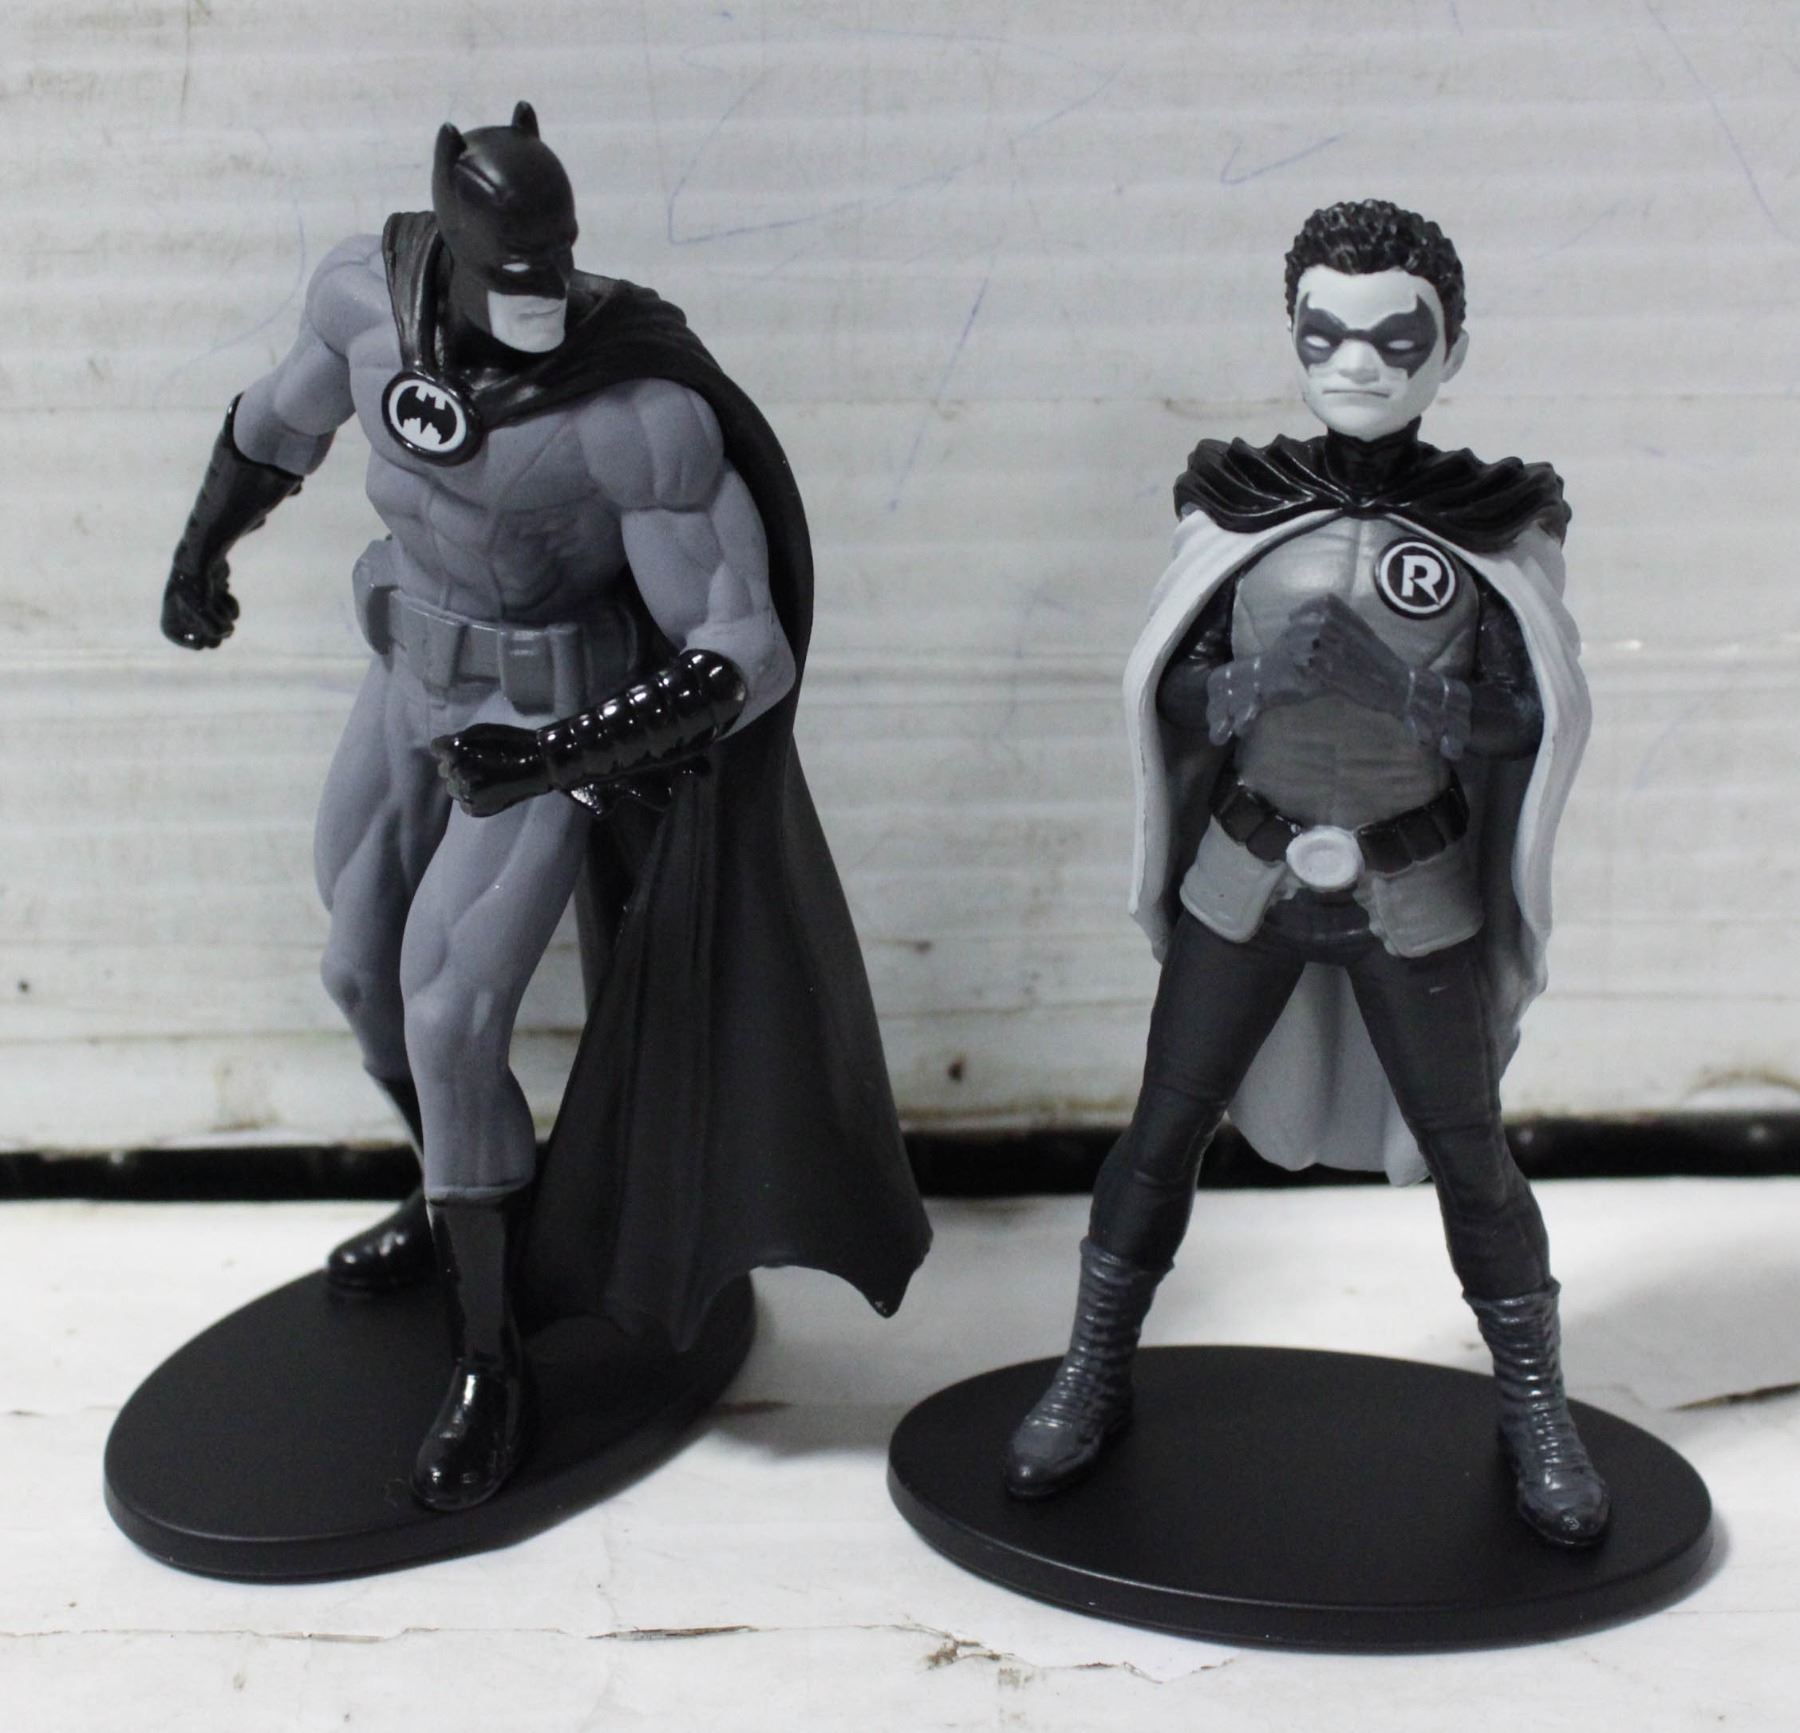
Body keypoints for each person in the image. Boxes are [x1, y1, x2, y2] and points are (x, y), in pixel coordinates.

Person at [162, 105, 928, 1514]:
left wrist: (560, 754)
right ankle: (462, 1206)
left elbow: (744, 651)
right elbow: (277, 427)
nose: (541, 294)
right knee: (358, 971)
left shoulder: (633, 410)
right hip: (409, 674)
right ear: (449, 254)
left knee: (452, 1015)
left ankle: (489, 1356)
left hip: (544, 715)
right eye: (510, 271)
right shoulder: (362, 302)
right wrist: (202, 549)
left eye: (555, 266)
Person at [1005, 199, 1607, 1546]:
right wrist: (1259, 680)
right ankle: (1093, 1369)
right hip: (1251, 866)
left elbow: (1534, 715)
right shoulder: (1239, 503)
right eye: (1325, 333)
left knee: (1471, 1154)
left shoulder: (1495, 520)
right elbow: (1166, 688)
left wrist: (1407, 694)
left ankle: (1535, 1408)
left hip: (1412, 881)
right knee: (1164, 1128)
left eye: (1397, 337)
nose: (1357, 364)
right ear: (1292, 335)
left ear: (1450, 350)